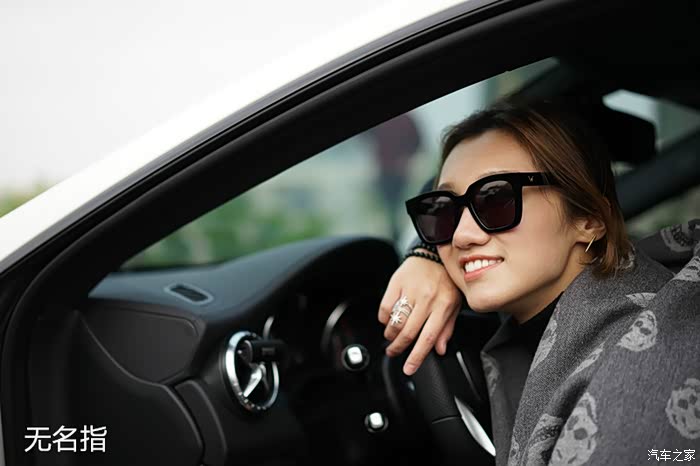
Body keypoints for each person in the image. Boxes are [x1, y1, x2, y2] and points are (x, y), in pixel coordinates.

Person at [377, 97, 700, 465]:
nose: (462, 235)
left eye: (496, 199)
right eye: (444, 211)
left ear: (589, 219)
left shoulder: (643, 370)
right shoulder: (549, 325)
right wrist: (428, 255)